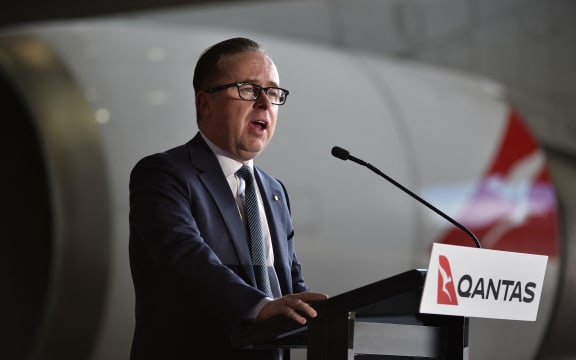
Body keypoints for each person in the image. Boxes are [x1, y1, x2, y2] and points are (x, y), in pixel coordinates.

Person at [128, 37, 328, 359]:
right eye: (249, 89)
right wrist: (259, 307)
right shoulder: (165, 174)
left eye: (274, 93)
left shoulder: (274, 191)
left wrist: (331, 317)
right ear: (204, 103)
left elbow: (289, 284)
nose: (265, 103)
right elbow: (185, 258)